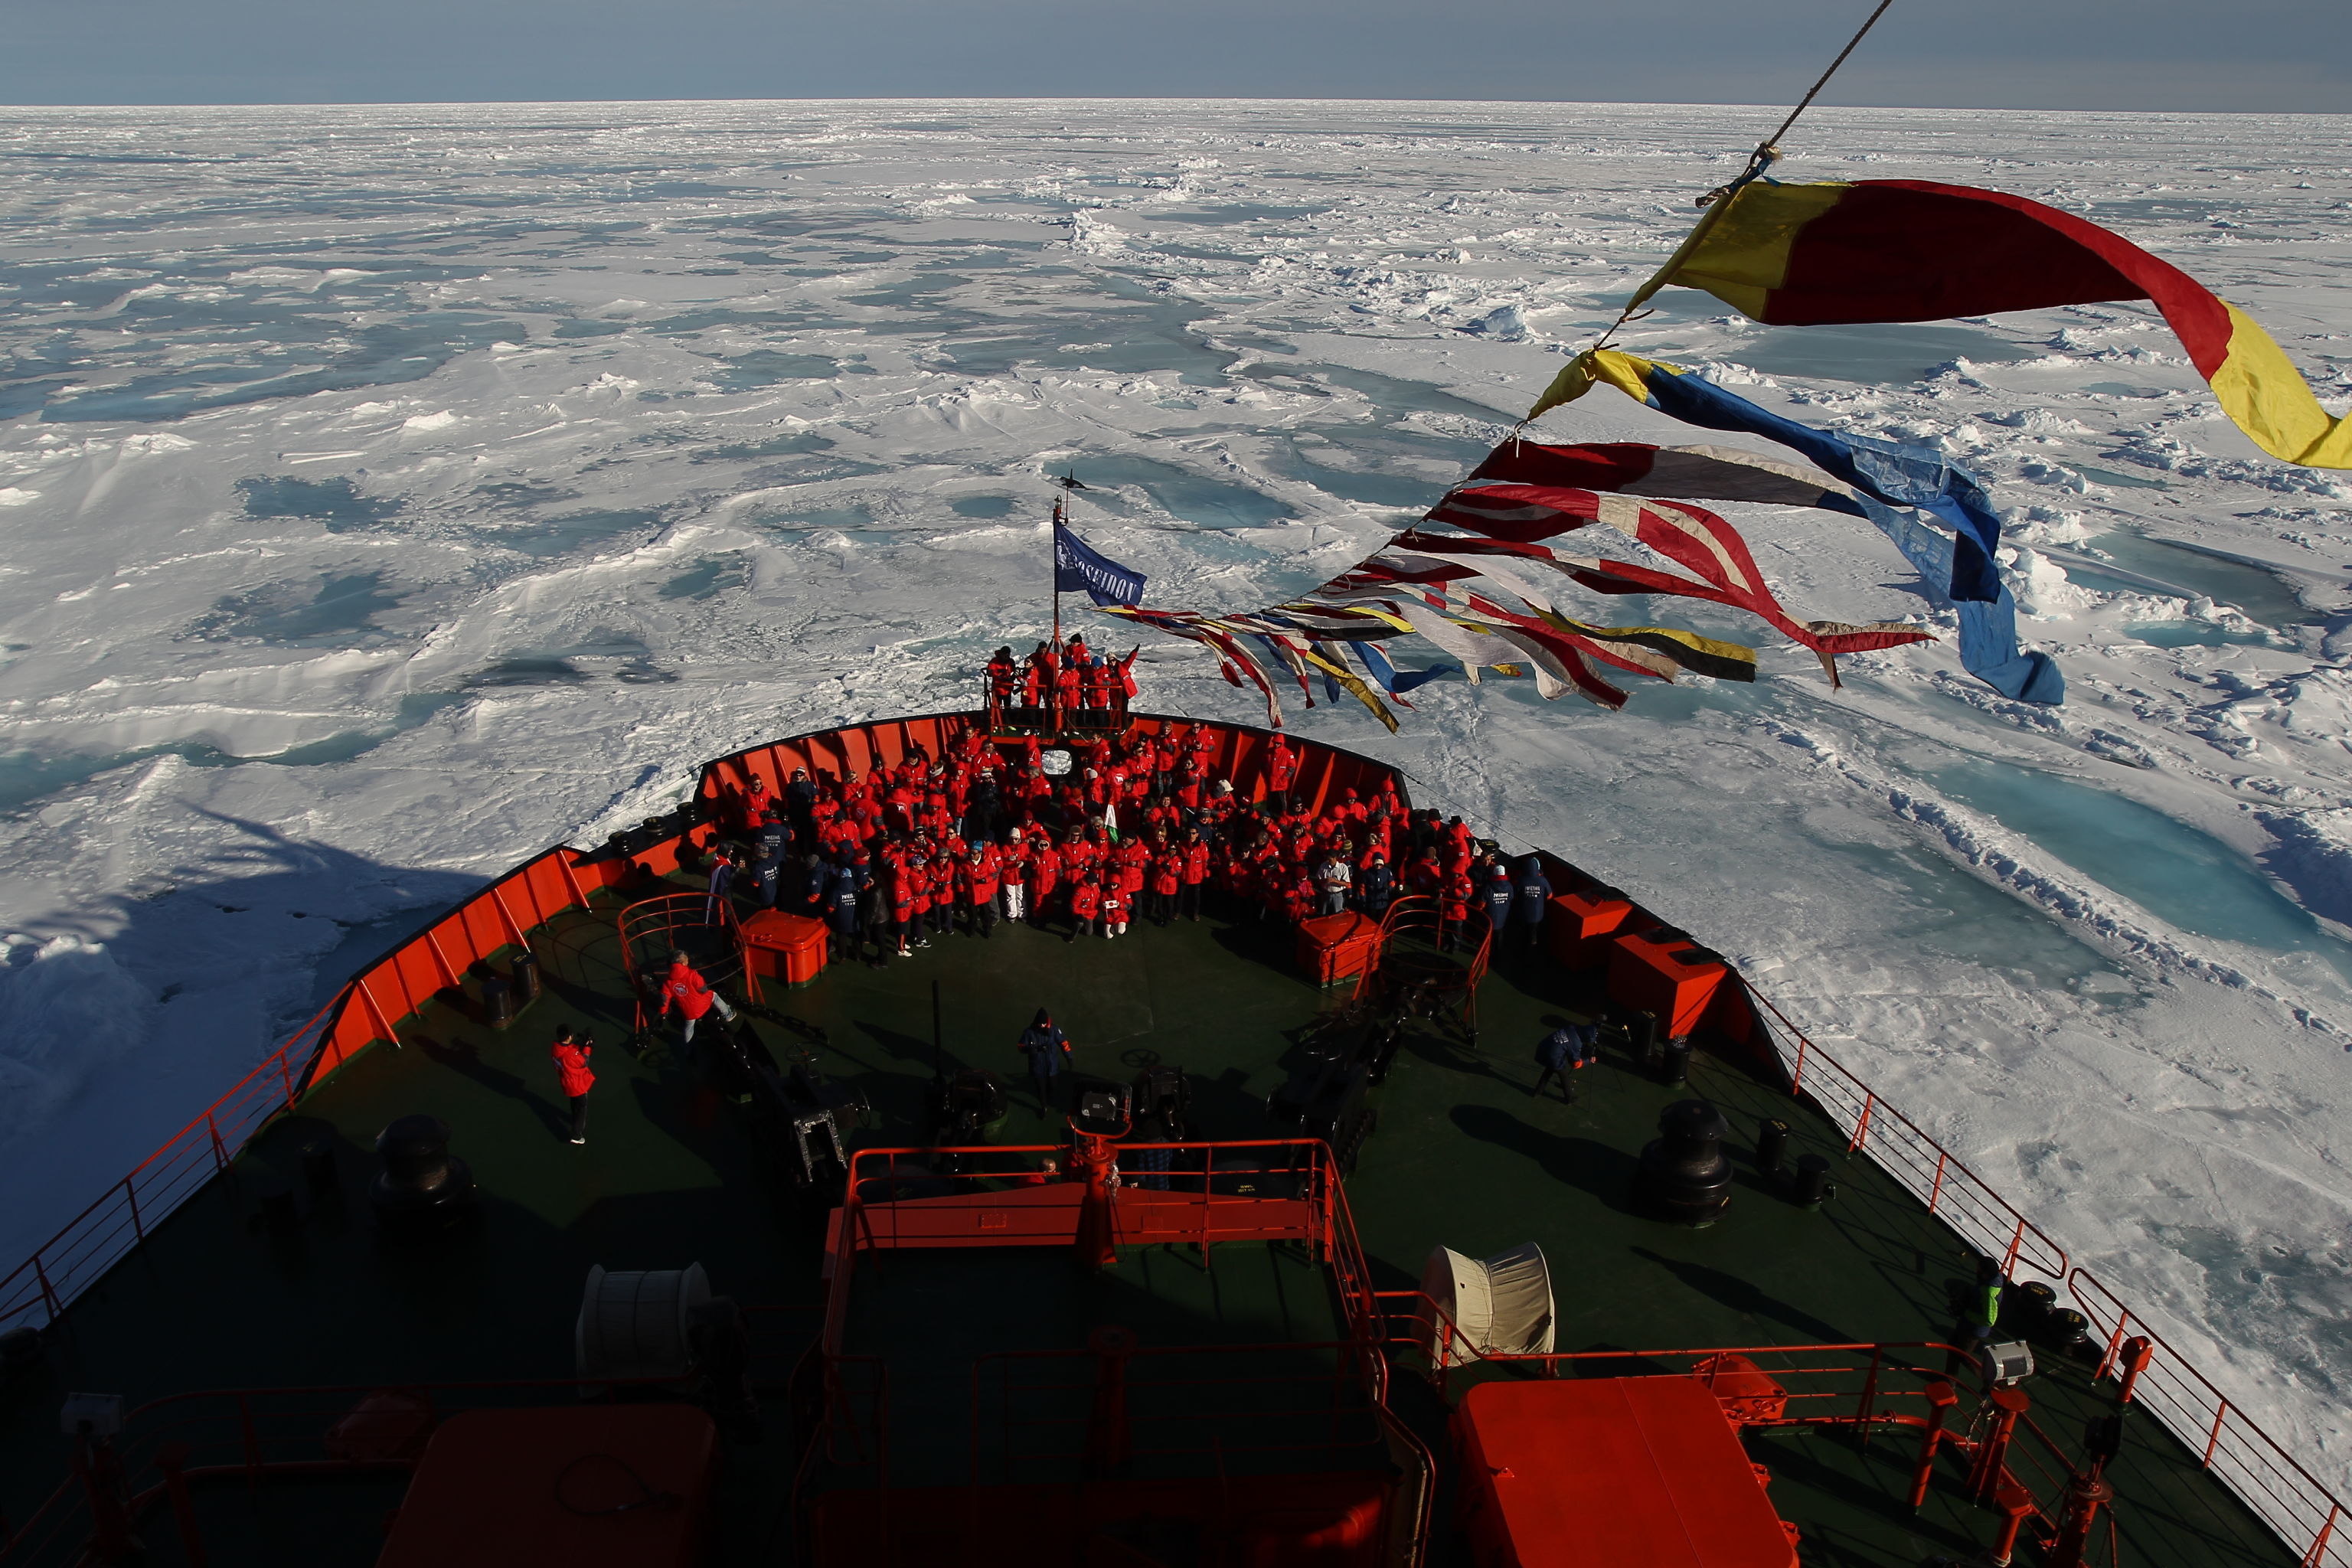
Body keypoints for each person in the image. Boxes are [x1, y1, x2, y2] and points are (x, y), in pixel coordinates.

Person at [659, 952, 737, 1047]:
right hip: (703, 1004)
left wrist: (663, 1012)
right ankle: (728, 1015)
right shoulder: (692, 974)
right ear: (683, 963)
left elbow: (664, 1000)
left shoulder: (667, 982)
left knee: (689, 1027)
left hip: (689, 1012)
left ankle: (688, 1044)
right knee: (714, 996)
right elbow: (703, 989)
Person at [1018, 1008, 1073, 1112]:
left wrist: (1069, 1057)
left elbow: (1064, 1043)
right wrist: (1033, 1049)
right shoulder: (1029, 1032)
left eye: (1044, 1023)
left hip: (1052, 1067)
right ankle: (1044, 1107)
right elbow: (1021, 1047)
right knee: (1041, 1089)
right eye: (1040, 1024)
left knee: (1053, 1086)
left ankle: (1048, 1099)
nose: (1042, 1026)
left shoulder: (1054, 1030)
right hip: (1037, 1067)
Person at [1532, 1019, 1598, 1102]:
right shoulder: (1576, 1043)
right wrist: (1588, 1060)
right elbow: (1575, 1064)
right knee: (1564, 1076)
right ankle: (1569, 1098)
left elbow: (1567, 1042)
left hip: (1543, 1048)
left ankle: (1538, 1091)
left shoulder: (1571, 1027)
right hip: (1553, 1056)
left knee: (1550, 1068)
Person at [551, 1025, 594, 1145]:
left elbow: (569, 1052)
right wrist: (587, 1047)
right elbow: (584, 1062)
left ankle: (574, 1120)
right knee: (581, 1109)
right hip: (577, 1085)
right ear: (569, 1037)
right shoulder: (571, 1055)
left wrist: (578, 1045)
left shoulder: (555, 1048)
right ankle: (577, 1135)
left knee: (574, 1104)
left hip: (567, 1083)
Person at [1511, 855, 1553, 951]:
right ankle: (1532, 950)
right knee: (1533, 933)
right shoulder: (1543, 880)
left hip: (1523, 913)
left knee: (1522, 931)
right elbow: (1550, 896)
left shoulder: (1521, 880)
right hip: (1537, 914)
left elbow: (1514, 895)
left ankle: (1520, 948)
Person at [1315, 853, 1352, 917]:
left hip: (1338, 895)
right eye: (1327, 859)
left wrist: (1335, 881)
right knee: (1324, 914)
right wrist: (1324, 880)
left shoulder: (1343, 867)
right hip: (1326, 894)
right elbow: (1318, 880)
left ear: (1335, 858)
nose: (1328, 861)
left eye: (1330, 860)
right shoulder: (1323, 866)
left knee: (1338, 915)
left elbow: (1347, 883)